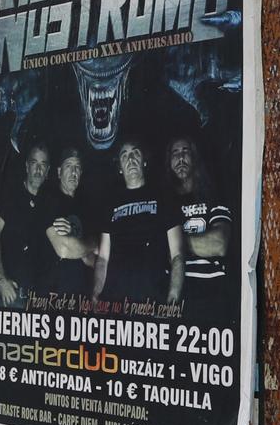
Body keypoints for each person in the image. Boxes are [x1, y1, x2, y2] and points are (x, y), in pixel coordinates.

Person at [96, 138, 184, 305]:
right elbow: (103, 258)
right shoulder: (110, 203)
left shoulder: (164, 197)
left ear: (144, 161)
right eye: (124, 155)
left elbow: (177, 255)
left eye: (135, 153)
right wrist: (96, 294)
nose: (130, 159)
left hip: (153, 300)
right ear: (120, 168)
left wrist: (173, 298)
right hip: (115, 302)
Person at [167, 135, 231, 323]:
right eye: (175, 152)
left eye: (185, 151)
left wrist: (175, 244)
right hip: (174, 298)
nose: (180, 157)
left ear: (195, 157)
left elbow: (219, 244)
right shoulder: (165, 202)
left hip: (210, 295)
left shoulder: (213, 196)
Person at [0, 143, 54, 306]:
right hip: (11, 295)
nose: (38, 170)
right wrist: (1, 279)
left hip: (39, 299)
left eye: (43, 165)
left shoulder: (50, 204)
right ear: (27, 167)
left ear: (48, 171)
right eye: (34, 163)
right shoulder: (10, 196)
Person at [43, 147, 99, 297]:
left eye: (77, 167)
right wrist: (91, 244)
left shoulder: (87, 207)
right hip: (53, 295)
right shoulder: (48, 200)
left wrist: (81, 247)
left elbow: (93, 260)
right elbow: (64, 249)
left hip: (83, 294)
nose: (73, 172)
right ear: (59, 172)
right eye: (68, 166)